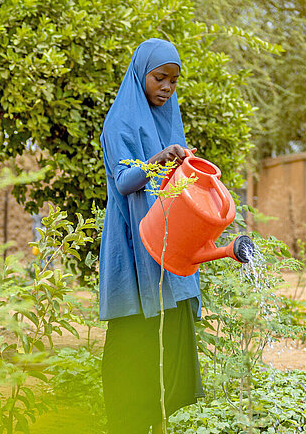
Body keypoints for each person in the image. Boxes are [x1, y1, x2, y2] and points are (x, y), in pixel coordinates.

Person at [99, 38, 204, 433]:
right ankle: (129, 422)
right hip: (133, 242)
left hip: (168, 242)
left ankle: (166, 422)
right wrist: (157, 160)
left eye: (174, 82)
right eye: (160, 78)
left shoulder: (170, 120)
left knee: (173, 337)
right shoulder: (121, 122)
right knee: (134, 335)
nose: (167, 88)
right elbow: (125, 182)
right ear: (140, 74)